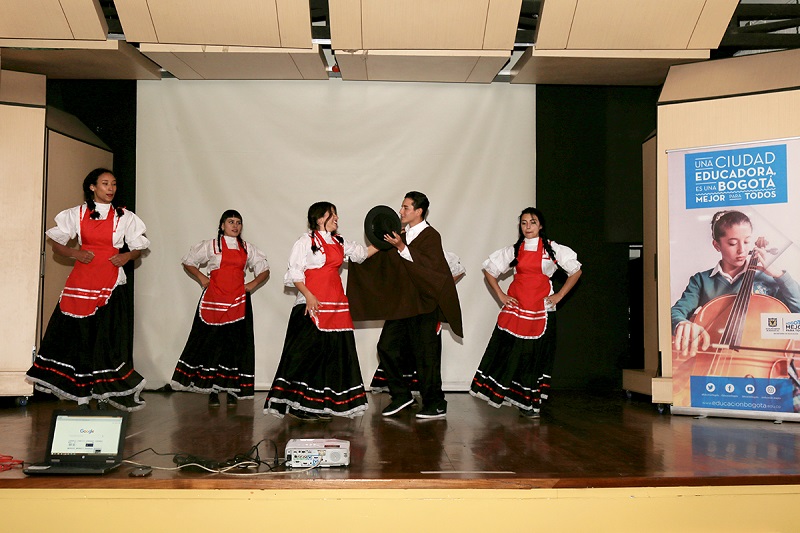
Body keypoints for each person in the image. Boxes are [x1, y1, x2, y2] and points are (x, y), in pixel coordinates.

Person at [26, 168, 150, 411]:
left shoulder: (124, 216)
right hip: (81, 282)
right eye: (105, 183)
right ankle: (81, 394)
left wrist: (126, 256)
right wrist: (76, 253)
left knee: (107, 340)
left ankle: (104, 393)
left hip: (111, 283)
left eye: (113, 183)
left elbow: (138, 247)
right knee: (79, 339)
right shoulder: (76, 214)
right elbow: (57, 246)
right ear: (92, 187)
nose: (111, 188)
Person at [347, 191, 463, 419]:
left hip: (425, 306)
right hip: (402, 306)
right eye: (401, 207)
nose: (401, 212)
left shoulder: (431, 236)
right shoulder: (401, 235)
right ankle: (402, 395)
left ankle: (436, 403)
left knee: (426, 355)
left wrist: (401, 246)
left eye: (406, 208)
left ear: (419, 211)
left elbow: (430, 267)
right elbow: (384, 263)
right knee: (386, 348)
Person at [265, 202, 377, 420]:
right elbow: (295, 272)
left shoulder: (339, 241)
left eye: (336, 214)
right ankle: (299, 404)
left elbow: (362, 254)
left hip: (335, 305)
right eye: (331, 214)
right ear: (318, 218)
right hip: (312, 304)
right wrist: (308, 296)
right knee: (306, 355)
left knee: (332, 356)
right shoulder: (305, 241)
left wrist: (385, 241)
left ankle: (318, 405)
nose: (336, 218)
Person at [470, 207, 582, 418]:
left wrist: (559, 296)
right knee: (512, 354)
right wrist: (501, 295)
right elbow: (489, 270)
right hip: (517, 310)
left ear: (540, 225)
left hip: (541, 311)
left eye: (532, 222)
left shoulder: (552, 249)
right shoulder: (514, 250)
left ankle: (529, 402)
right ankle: (516, 398)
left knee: (533, 356)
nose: (528, 226)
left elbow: (576, 271)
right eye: (524, 223)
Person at [171, 210, 269, 407]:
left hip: (238, 302)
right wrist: (202, 278)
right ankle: (213, 390)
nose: (235, 226)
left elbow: (264, 270)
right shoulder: (212, 246)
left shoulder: (247, 248)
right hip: (214, 301)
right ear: (222, 225)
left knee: (235, 345)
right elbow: (188, 261)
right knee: (212, 344)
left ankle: (232, 389)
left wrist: (250, 285)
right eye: (231, 222)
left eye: (238, 222)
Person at [671, 210, 800, 357]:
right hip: (714, 357)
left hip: (759, 360)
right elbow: (676, 312)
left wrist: (778, 275)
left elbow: (798, 312)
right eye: (732, 243)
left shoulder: (766, 279)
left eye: (746, 242)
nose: (742, 250)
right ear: (717, 245)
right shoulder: (701, 280)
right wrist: (682, 323)